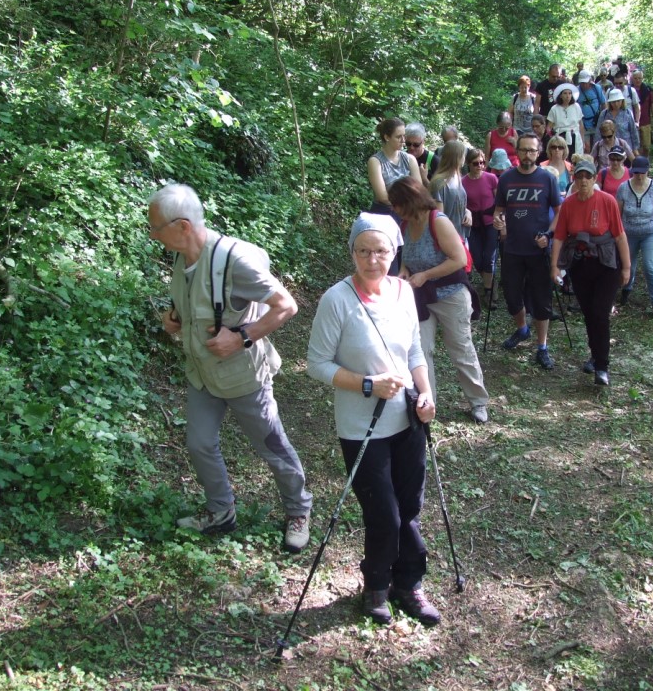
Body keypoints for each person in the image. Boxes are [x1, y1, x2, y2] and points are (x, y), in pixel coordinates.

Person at [149, 184, 313, 548]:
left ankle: (298, 509)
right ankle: (221, 511)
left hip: (243, 377)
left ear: (182, 226)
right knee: (199, 443)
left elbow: (286, 306)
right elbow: (194, 303)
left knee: (272, 446)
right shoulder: (180, 257)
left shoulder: (234, 261)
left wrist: (241, 337)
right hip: (202, 374)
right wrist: (174, 316)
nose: (151, 234)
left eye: (155, 227)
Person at [306, 213, 441, 626]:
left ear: (393, 252)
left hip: (407, 419)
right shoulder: (337, 299)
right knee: (383, 512)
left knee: (409, 506)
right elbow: (317, 365)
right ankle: (376, 586)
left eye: (380, 251)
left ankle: (408, 585)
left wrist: (427, 392)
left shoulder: (403, 292)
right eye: (363, 251)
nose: (372, 259)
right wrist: (368, 384)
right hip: (361, 427)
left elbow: (415, 352)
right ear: (352, 253)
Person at [390, 179, 490, 424]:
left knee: (461, 349)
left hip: (451, 295)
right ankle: (426, 403)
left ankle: (478, 402)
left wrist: (426, 275)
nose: (394, 209)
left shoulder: (438, 221)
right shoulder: (404, 225)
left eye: (397, 204)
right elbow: (406, 257)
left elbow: (458, 260)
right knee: (420, 352)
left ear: (410, 200)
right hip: (421, 298)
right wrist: (404, 270)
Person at [549, 159, 631, 386]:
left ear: (595, 179)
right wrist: (554, 265)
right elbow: (559, 236)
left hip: (606, 264)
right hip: (580, 265)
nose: (583, 181)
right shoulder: (569, 204)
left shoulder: (607, 201)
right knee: (588, 313)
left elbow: (619, 236)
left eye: (588, 177)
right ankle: (595, 356)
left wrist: (626, 267)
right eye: (579, 177)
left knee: (600, 312)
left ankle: (602, 366)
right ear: (574, 179)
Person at [493, 133, 562, 370]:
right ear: (517, 151)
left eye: (532, 151)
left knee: (542, 300)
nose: (527, 155)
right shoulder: (506, 179)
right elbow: (500, 210)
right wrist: (499, 221)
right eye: (523, 150)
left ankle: (542, 347)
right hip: (511, 248)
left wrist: (549, 235)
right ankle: (522, 329)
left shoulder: (547, 179)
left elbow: (559, 212)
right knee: (512, 297)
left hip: (538, 249)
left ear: (538, 152)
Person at [616, 156, 653, 317]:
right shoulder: (623, 188)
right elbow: (618, 213)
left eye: (642, 173)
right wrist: (616, 235)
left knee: (650, 266)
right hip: (628, 233)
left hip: (650, 232)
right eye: (636, 173)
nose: (639, 176)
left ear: (647, 171)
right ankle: (626, 289)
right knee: (628, 265)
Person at [463, 148, 499, 298]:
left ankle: (489, 290)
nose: (480, 166)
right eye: (476, 163)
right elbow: (461, 203)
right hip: (473, 224)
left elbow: (499, 202)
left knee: (489, 257)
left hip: (490, 222)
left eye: (482, 163)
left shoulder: (491, 178)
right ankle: (490, 282)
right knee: (477, 258)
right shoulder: (462, 181)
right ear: (468, 164)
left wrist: (502, 220)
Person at [367, 118, 423, 214]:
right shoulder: (375, 162)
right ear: (387, 137)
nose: (403, 140)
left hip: (409, 212)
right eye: (398, 137)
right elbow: (383, 197)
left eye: (404, 136)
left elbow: (419, 189)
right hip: (384, 214)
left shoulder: (410, 159)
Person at [427, 140, 471, 237]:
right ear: (457, 157)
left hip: (461, 234)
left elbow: (456, 202)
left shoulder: (457, 178)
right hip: (448, 239)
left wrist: (467, 212)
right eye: (463, 155)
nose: (464, 158)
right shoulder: (439, 183)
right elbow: (438, 218)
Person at [597, 89, 640, 156]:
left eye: (618, 101)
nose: (616, 104)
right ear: (610, 102)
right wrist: (597, 147)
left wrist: (635, 149)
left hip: (626, 149)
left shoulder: (627, 113)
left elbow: (633, 131)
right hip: (608, 149)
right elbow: (598, 132)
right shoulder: (604, 114)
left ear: (622, 101)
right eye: (613, 102)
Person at [547, 83, 584, 159]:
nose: (568, 96)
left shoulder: (576, 107)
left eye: (570, 93)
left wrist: (583, 141)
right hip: (560, 139)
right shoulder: (554, 109)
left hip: (575, 138)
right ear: (560, 95)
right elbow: (549, 128)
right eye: (565, 93)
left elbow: (581, 125)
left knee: (576, 160)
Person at [631, 70, 653, 158]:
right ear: (632, 79)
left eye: (639, 78)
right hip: (633, 123)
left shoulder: (648, 90)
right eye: (635, 78)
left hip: (646, 123)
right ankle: (639, 167)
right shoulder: (629, 90)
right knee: (637, 148)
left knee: (646, 147)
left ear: (642, 78)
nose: (637, 80)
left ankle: (646, 163)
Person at [577, 70, 606, 151]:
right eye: (582, 82)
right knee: (586, 147)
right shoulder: (576, 91)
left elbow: (603, 103)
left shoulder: (597, 88)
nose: (584, 85)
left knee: (598, 146)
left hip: (597, 121)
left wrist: (604, 118)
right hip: (584, 123)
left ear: (590, 80)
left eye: (586, 82)